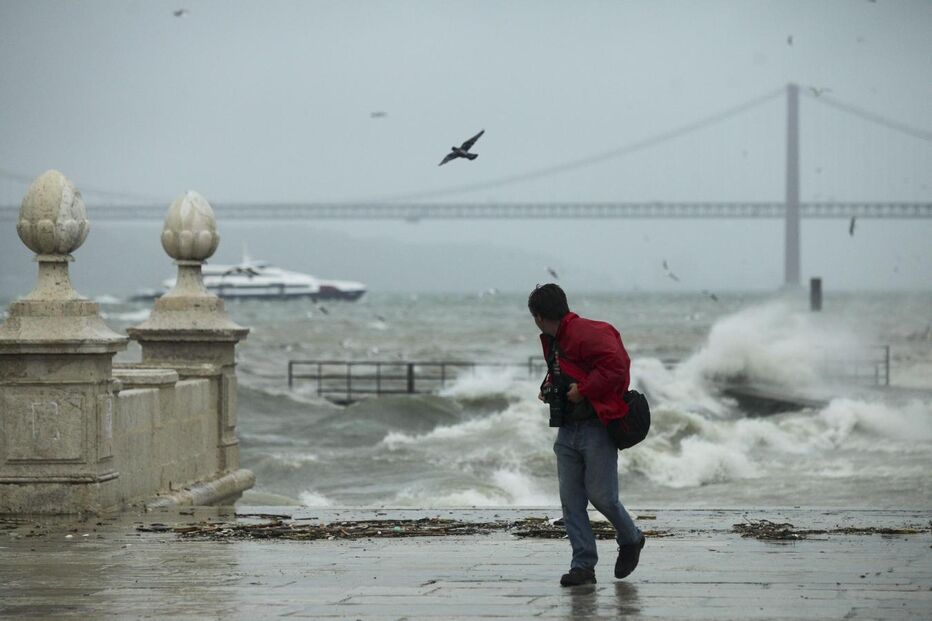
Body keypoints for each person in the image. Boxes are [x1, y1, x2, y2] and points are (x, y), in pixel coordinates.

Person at [528, 283, 645, 587]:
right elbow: (567, 371)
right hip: (567, 429)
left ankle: (631, 539)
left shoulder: (586, 332)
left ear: (538, 316)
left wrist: (583, 390)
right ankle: (583, 566)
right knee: (571, 500)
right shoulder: (555, 340)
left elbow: (618, 368)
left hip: (596, 429)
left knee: (603, 497)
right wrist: (549, 390)